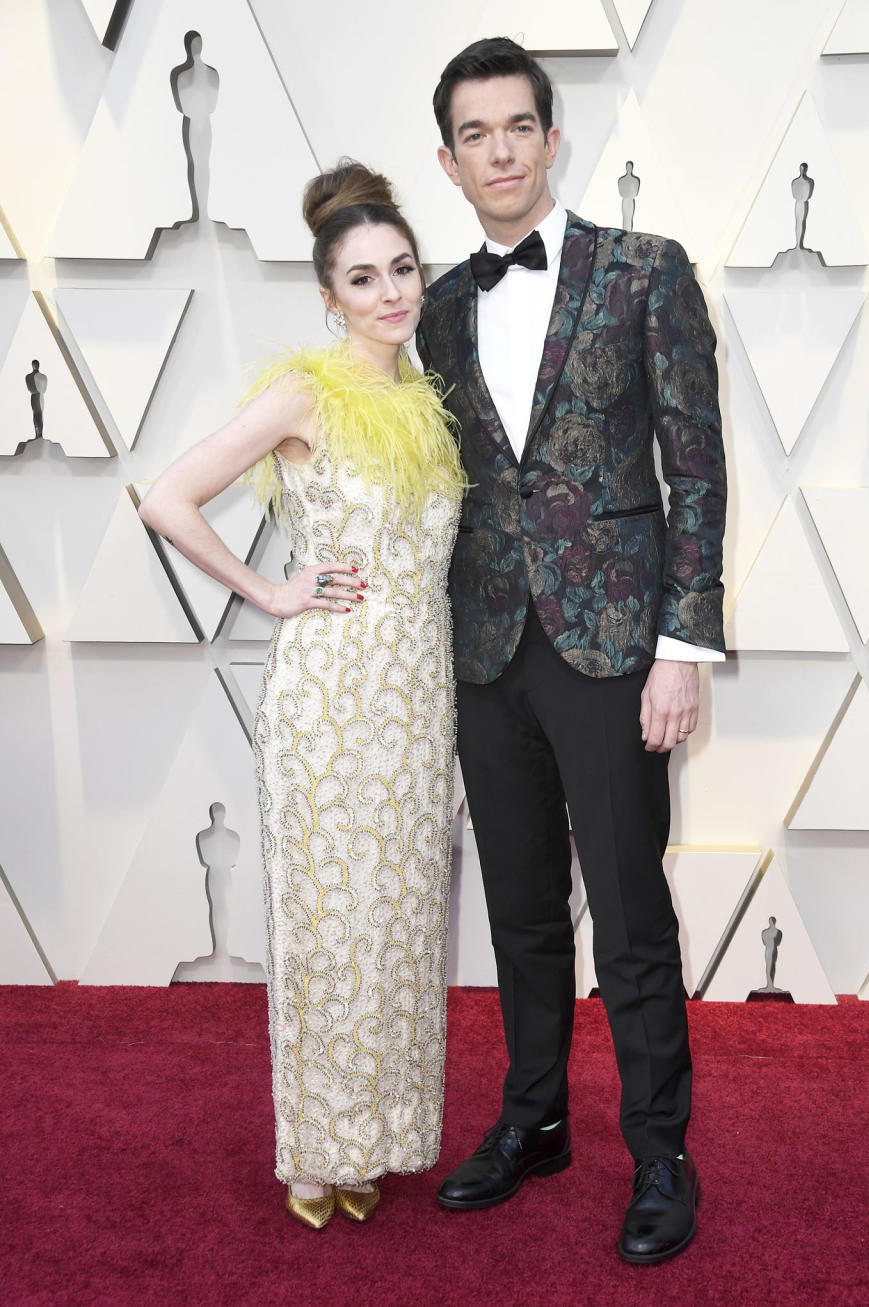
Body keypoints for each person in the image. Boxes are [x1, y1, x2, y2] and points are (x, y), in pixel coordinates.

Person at [416, 39, 726, 1265]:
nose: (500, 150)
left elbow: (693, 465)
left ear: (554, 138)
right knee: (521, 907)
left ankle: (661, 1149)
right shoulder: (434, 308)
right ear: (449, 160)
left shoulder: (647, 272)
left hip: (612, 643)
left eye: (517, 127)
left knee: (634, 910)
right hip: (485, 642)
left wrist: (683, 643)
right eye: (474, 135)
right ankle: (534, 1114)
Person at [139, 161, 468, 1231]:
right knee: (330, 924)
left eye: (403, 269)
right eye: (363, 278)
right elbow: (165, 496)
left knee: (400, 921)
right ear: (329, 296)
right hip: (329, 699)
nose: (391, 293)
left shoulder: (426, 401)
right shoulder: (304, 392)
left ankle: (374, 1135)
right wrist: (267, 589)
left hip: (418, 698)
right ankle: (315, 1152)